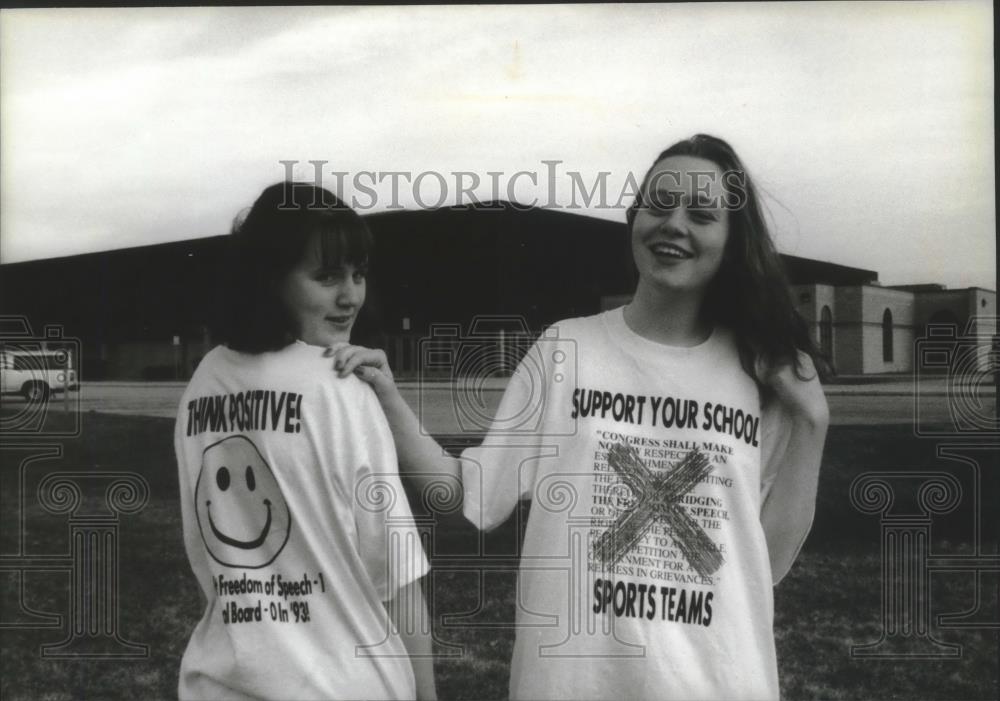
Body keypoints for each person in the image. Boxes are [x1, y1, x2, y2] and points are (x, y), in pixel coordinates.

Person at [333, 134, 829, 700]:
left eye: (702, 214)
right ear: (633, 217)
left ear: (732, 240)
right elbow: (467, 496)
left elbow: (762, 565)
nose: (674, 224)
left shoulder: (761, 370)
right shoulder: (564, 350)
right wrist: (388, 397)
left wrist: (813, 421)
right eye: (659, 204)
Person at [174, 182, 435, 700]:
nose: (351, 296)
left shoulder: (204, 381)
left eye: (358, 275)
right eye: (327, 276)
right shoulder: (342, 385)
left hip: (222, 681)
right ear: (270, 279)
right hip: (345, 683)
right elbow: (397, 574)